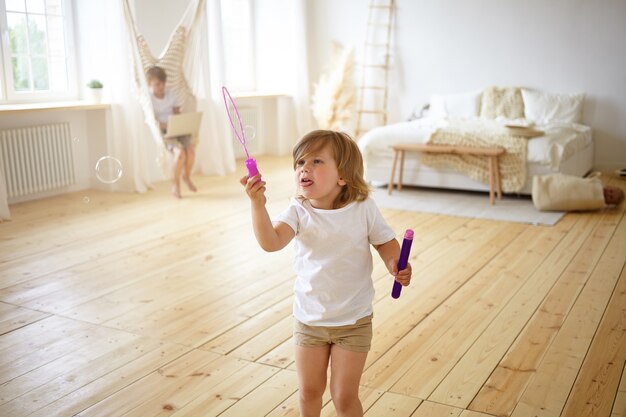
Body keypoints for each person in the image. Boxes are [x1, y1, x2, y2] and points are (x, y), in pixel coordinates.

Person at [240, 130, 412, 417]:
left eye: (317, 161)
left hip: (353, 321)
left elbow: (384, 242)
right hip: (309, 319)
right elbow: (270, 242)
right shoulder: (298, 210)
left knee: (344, 397)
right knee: (309, 392)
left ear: (342, 175)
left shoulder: (363, 207)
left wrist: (395, 263)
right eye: (300, 162)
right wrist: (258, 205)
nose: (304, 168)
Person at [147, 66, 197, 198]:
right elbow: (155, 122)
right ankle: (176, 184)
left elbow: (176, 113)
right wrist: (166, 125)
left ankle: (186, 176)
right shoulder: (149, 99)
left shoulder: (170, 93)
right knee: (180, 154)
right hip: (164, 132)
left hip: (178, 128)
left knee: (191, 150)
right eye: (157, 84)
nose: (161, 86)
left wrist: (178, 113)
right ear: (149, 84)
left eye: (162, 83)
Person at [532, 173, 624, 211]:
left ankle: (544, 197)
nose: (608, 194)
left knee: (565, 196)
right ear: (610, 186)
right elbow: (577, 183)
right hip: (576, 185)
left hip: (581, 196)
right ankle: (544, 185)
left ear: (608, 204)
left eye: (611, 197)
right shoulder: (597, 183)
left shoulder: (596, 204)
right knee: (566, 183)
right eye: (611, 191)